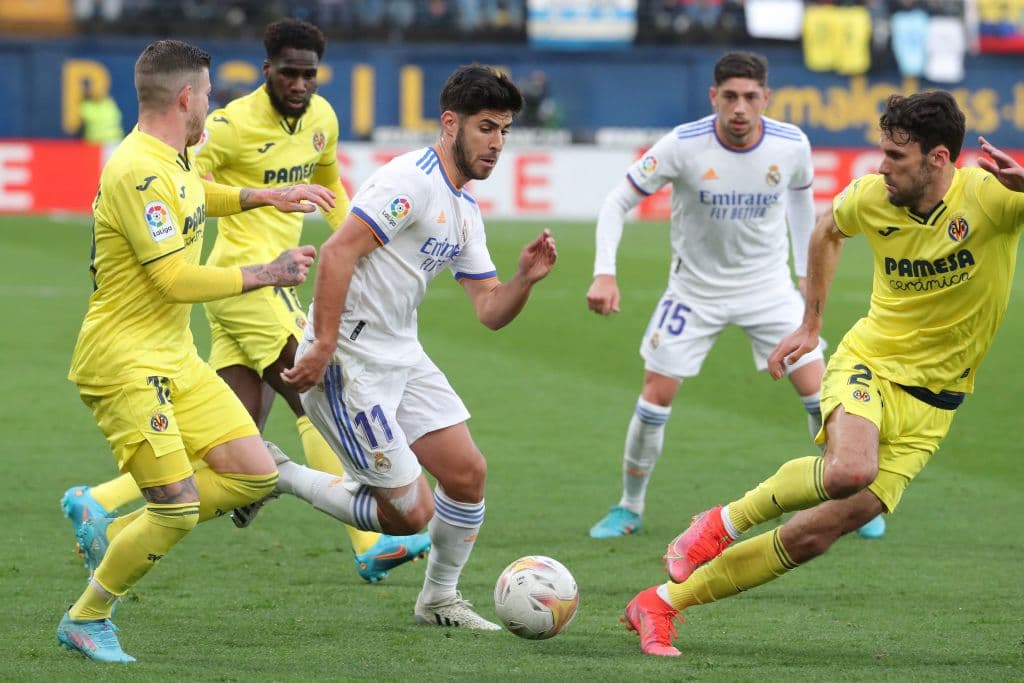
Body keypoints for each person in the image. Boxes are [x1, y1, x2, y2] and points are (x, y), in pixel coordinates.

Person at [622, 90, 1024, 656]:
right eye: (882, 152)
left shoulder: (993, 198)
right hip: (871, 364)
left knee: (813, 535)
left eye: (896, 157)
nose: (882, 167)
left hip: (937, 405)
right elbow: (827, 231)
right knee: (847, 471)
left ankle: (660, 604)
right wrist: (810, 326)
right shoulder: (871, 196)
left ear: (938, 159)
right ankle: (718, 522)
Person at [60, 18, 429, 585]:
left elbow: (330, 189)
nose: (301, 83)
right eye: (290, 73)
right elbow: (180, 190)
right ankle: (369, 538)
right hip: (245, 283)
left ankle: (100, 504)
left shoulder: (324, 119)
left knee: (235, 439)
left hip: (250, 290)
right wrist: (261, 261)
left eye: (310, 74)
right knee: (316, 389)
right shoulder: (225, 126)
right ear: (268, 71)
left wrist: (353, 242)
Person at [57, 39, 336, 663]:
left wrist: (264, 196)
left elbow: (197, 196)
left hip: (174, 356)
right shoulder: (136, 169)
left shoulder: (174, 159)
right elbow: (174, 280)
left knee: (253, 473)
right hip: (125, 362)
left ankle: (118, 530)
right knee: (178, 508)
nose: (211, 103)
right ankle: (87, 616)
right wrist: (264, 272)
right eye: (207, 94)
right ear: (186, 97)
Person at [262, 64, 557, 629]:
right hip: (350, 362)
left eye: (504, 132)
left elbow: (490, 310)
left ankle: (438, 599)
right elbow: (337, 253)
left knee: (467, 474)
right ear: (451, 123)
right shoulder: (410, 182)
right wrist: (322, 344)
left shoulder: (465, 208)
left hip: (402, 354)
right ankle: (281, 475)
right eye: (487, 128)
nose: (497, 144)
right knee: (410, 515)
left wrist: (524, 280)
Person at [585, 51, 883, 541]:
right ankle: (629, 507)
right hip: (694, 291)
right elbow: (618, 200)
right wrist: (604, 272)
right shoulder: (683, 145)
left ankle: (852, 502)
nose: (740, 107)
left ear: (765, 97)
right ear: (713, 98)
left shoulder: (791, 145)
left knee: (821, 392)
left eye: (750, 97)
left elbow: (804, 210)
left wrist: (807, 280)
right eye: (730, 97)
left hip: (767, 288)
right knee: (655, 396)